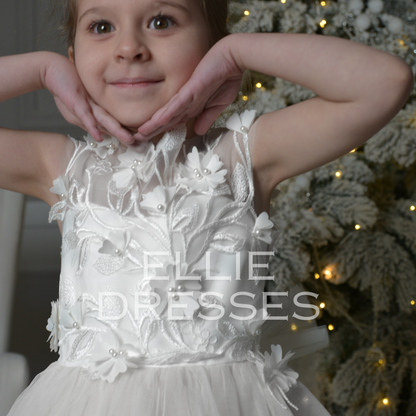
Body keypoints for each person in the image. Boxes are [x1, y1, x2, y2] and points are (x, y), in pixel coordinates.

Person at [2, 0, 413, 415]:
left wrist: (238, 52)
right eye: (101, 26)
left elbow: (385, 82)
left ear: (211, 49)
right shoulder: (61, 167)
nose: (129, 48)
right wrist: (42, 69)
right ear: (74, 58)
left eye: (162, 21)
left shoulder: (243, 154)